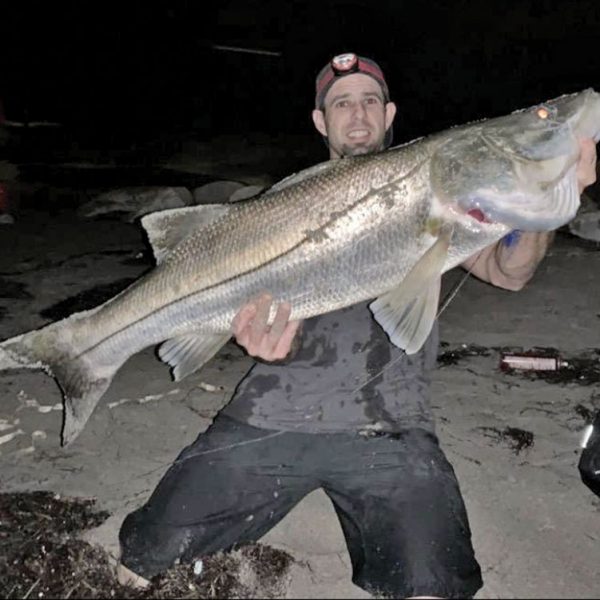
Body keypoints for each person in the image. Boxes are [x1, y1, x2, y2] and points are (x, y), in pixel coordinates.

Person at [117, 53, 597, 598]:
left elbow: (511, 272)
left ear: (389, 113)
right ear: (321, 121)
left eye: (371, 100)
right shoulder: (279, 205)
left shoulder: (438, 194)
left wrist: (550, 198)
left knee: (431, 587)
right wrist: (244, 335)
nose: (359, 114)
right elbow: (230, 310)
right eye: (342, 103)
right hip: (269, 415)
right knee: (141, 561)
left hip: (391, 429)